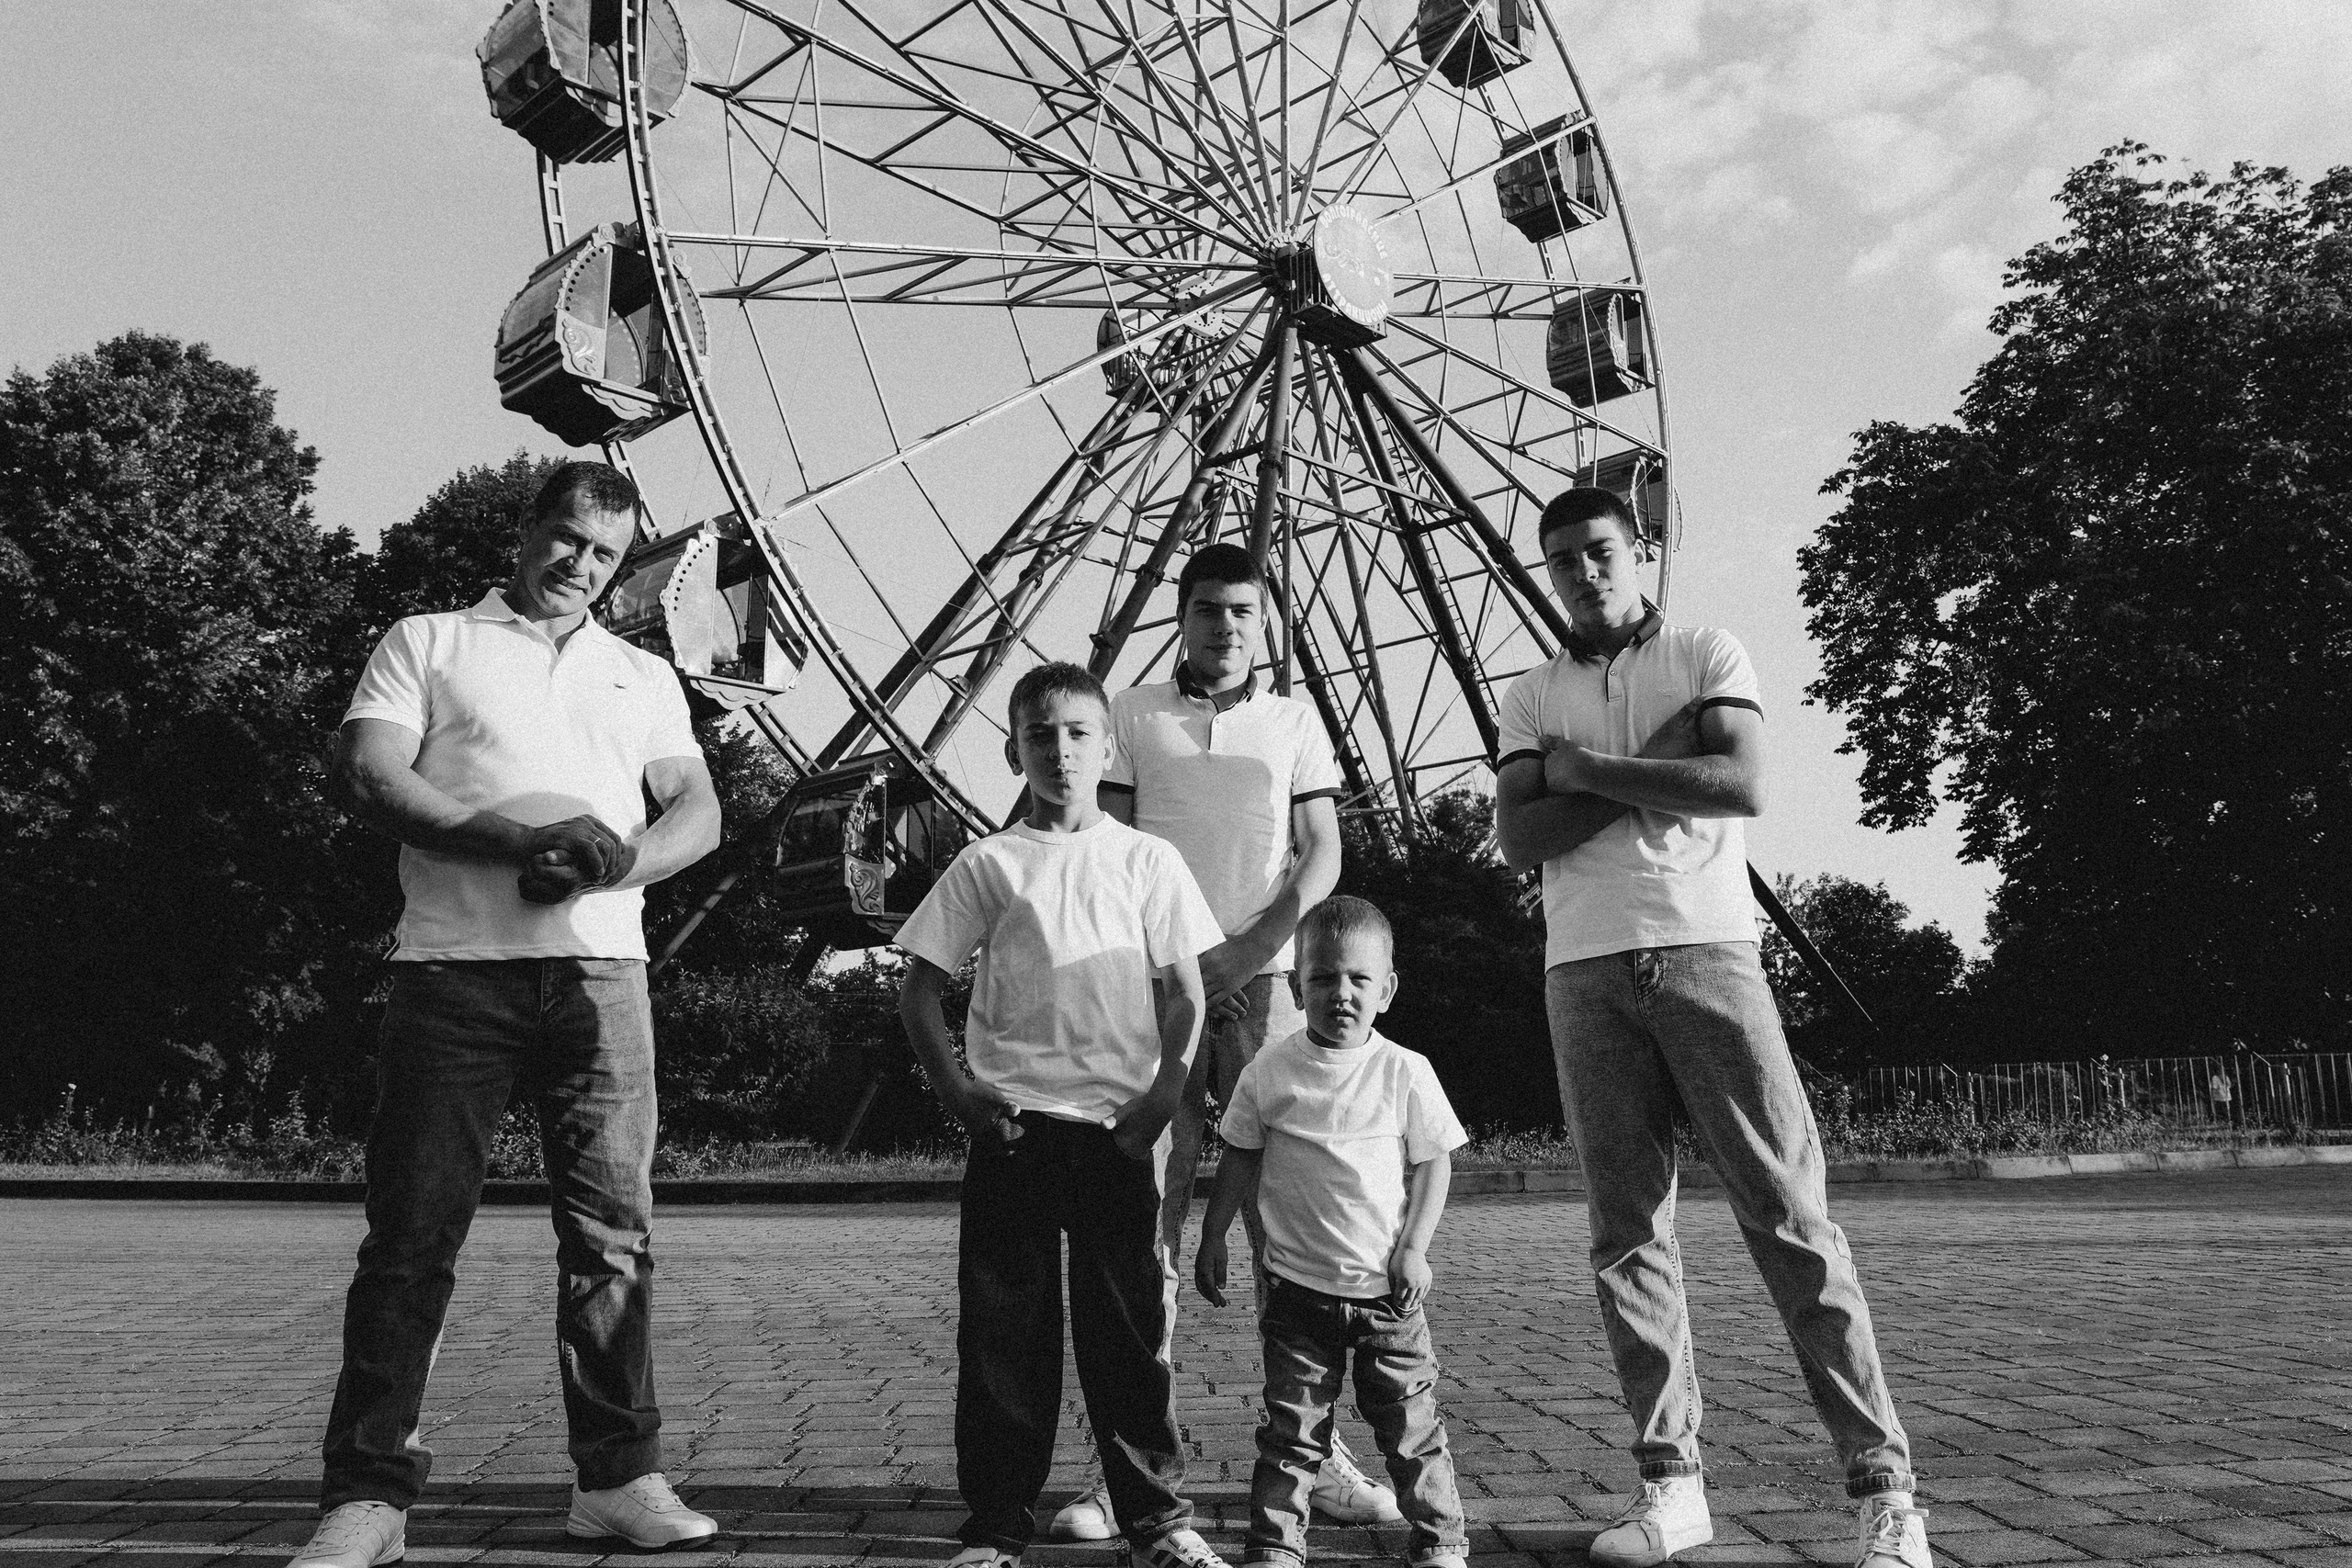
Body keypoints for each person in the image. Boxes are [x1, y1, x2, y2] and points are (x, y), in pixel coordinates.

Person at [289, 462, 724, 1568]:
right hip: (453, 971)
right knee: (411, 1238)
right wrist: (518, 842)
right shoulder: (428, 640)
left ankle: (616, 1480)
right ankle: (369, 1498)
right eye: (568, 538)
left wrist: (616, 862)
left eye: (606, 554)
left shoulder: (641, 674)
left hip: (602, 976)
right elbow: (371, 774)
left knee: (613, 1240)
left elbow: (698, 810)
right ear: (526, 529)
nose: (582, 565)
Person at [1491, 488, 1929, 1568]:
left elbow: (1737, 783)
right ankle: (1671, 1487)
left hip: (1707, 950)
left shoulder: (1705, 651)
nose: (1583, 571)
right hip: (1581, 967)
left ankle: (1886, 1495)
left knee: (1789, 1217)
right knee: (1626, 1233)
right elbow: (1520, 836)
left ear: (1637, 550)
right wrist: (1653, 765)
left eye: (1600, 551)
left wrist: (1583, 771)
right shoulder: (1529, 692)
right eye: (1561, 559)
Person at [1062, 543, 1397, 1540]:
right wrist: (1178, 959)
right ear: (1182, 615)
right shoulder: (1130, 715)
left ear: (1266, 622)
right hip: (1152, 989)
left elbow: (1322, 851)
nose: (1225, 626)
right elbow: (1105, 847)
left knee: (1292, 1222)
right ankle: (1122, 1466)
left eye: (1244, 611)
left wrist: (1251, 948)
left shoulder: (1293, 723)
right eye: (1209, 608)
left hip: (1270, 985)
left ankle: (1313, 1453)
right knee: (1143, 1220)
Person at [896, 661, 1233, 1568]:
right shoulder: (989, 862)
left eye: (1078, 732)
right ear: (1013, 752)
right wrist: (959, 1092)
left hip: (1116, 1131)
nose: (1060, 750)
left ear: (1107, 746)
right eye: (1039, 735)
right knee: (1003, 1338)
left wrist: (1159, 1101)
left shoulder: (1147, 859)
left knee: (1128, 1336)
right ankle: (997, 1527)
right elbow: (918, 990)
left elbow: (1188, 997)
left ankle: (1156, 1521)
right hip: (1013, 1129)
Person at [1196, 897, 1470, 1568]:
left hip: (1388, 1297)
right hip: (1296, 1294)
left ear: (1387, 990)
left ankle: (1440, 1541)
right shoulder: (1268, 1071)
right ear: (1296, 987)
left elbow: (1434, 1160)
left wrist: (1415, 1247)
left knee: (1411, 1430)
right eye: (1322, 978)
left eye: (1357, 979)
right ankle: (1275, 1545)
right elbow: (1240, 1155)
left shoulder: (1404, 1070)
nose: (1340, 993)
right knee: (1291, 1435)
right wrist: (1213, 1234)